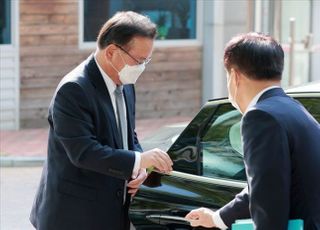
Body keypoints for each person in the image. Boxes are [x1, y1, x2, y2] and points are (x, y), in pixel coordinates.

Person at [30, 11, 173, 230]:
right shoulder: (74, 89)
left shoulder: (125, 82)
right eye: (139, 60)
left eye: (147, 60)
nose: (142, 67)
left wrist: (140, 168)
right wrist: (138, 160)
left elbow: (128, 134)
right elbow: (84, 152)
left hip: (112, 213)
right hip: (74, 217)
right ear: (112, 52)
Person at [185, 32, 320, 229]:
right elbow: (265, 184)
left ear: (235, 76)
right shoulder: (294, 108)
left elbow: (269, 204)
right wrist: (216, 218)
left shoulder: (260, 116)